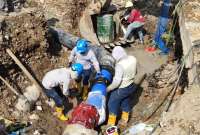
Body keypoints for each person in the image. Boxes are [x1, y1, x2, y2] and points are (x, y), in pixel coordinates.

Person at [106, 46, 137, 129]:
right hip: (131, 85)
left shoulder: (120, 66)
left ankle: (111, 124)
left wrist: (107, 89)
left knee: (112, 103)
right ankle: (124, 119)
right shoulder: (133, 58)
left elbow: (116, 83)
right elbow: (136, 71)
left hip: (122, 88)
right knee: (125, 101)